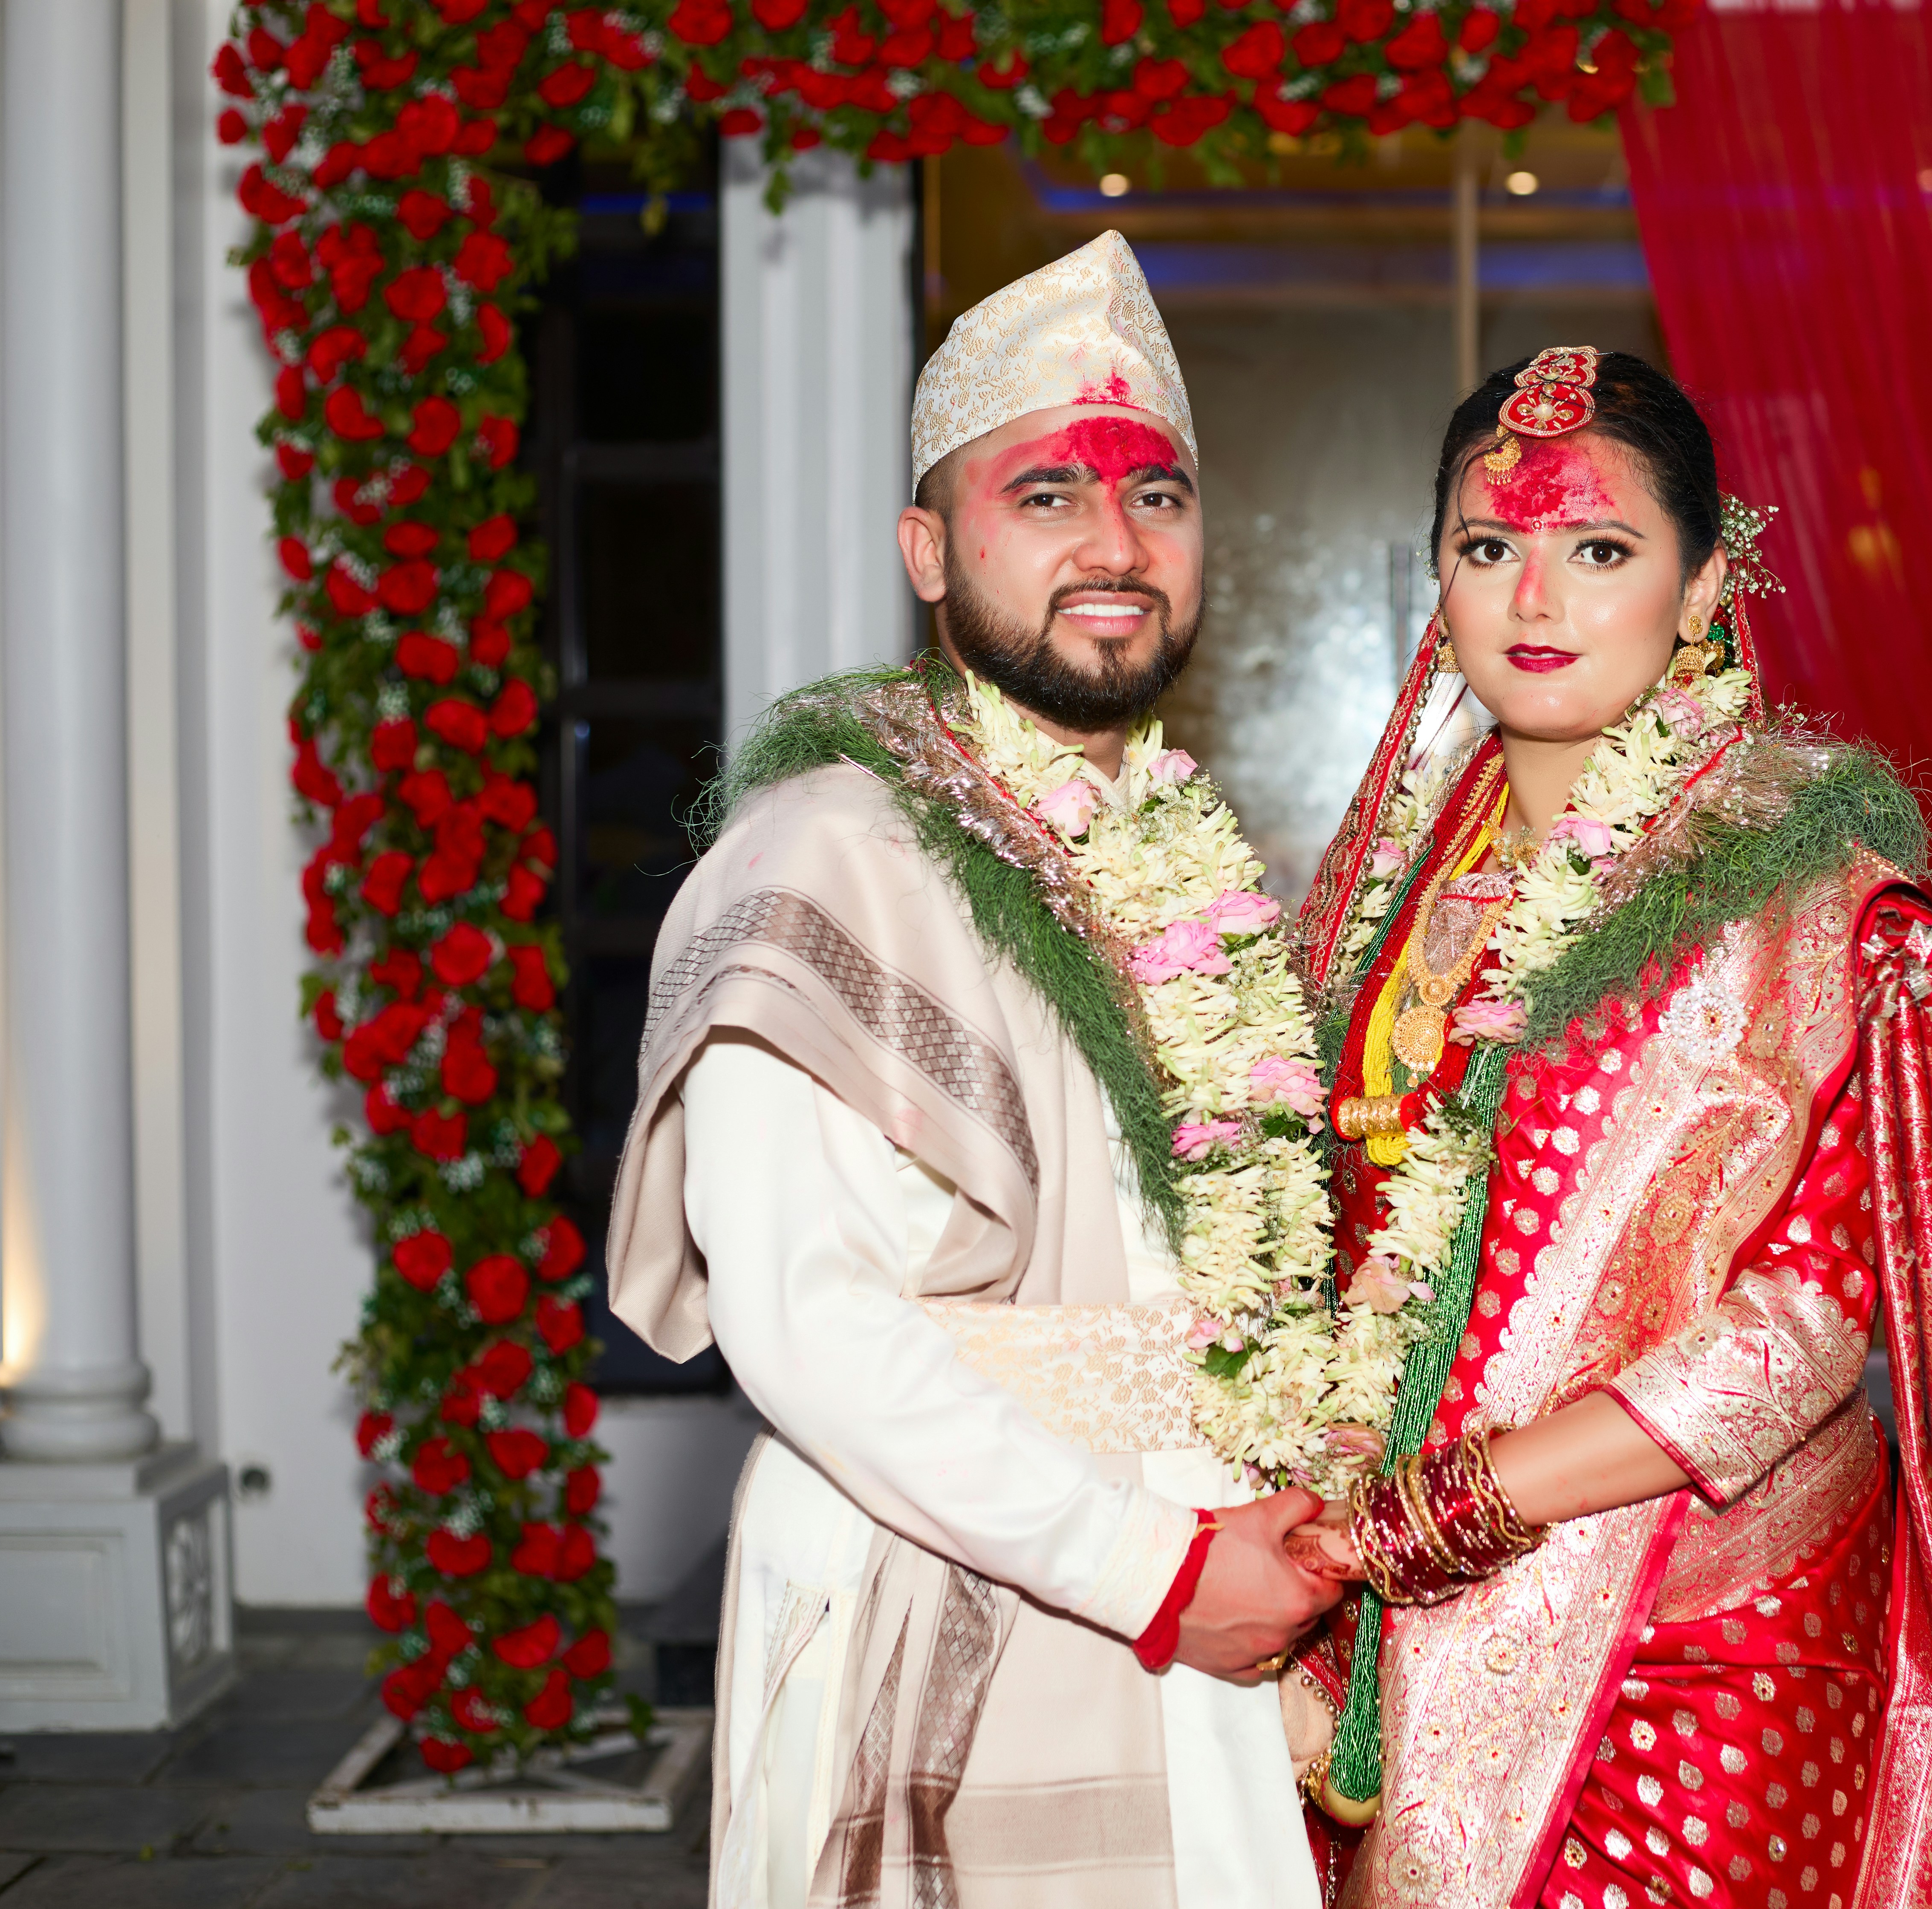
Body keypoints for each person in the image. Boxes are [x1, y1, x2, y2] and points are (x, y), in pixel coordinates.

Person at [1282, 349, 1932, 1909]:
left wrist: (1452, 1509)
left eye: (1600, 551)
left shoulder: (1801, 901)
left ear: (1706, 580)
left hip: (1701, 1627)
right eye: (1488, 548)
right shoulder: (1394, 895)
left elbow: (1804, 1325)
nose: (1538, 597)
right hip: (1391, 1622)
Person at [606, 232, 1347, 1909]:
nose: (1116, 543)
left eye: (1158, 495)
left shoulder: (1176, 860)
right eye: (1048, 498)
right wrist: (1156, 1571)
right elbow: (811, 1323)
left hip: (1198, 1607)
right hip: (940, 1593)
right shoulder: (826, 859)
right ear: (927, 553)